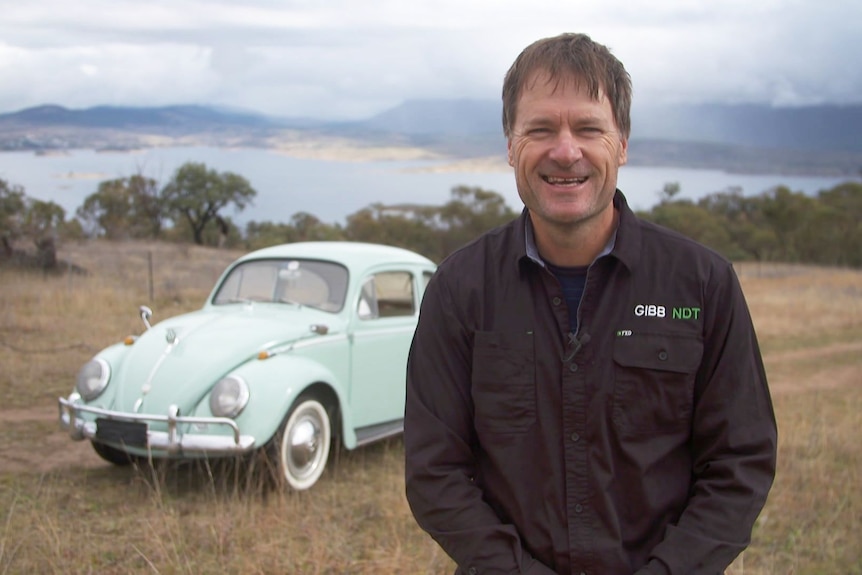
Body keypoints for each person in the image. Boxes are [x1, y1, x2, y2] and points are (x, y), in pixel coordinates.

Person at [404, 32, 777, 575]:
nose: (565, 151)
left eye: (587, 128)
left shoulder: (703, 285)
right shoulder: (459, 289)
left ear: (621, 143)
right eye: (540, 129)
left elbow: (740, 463)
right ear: (510, 145)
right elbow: (434, 473)